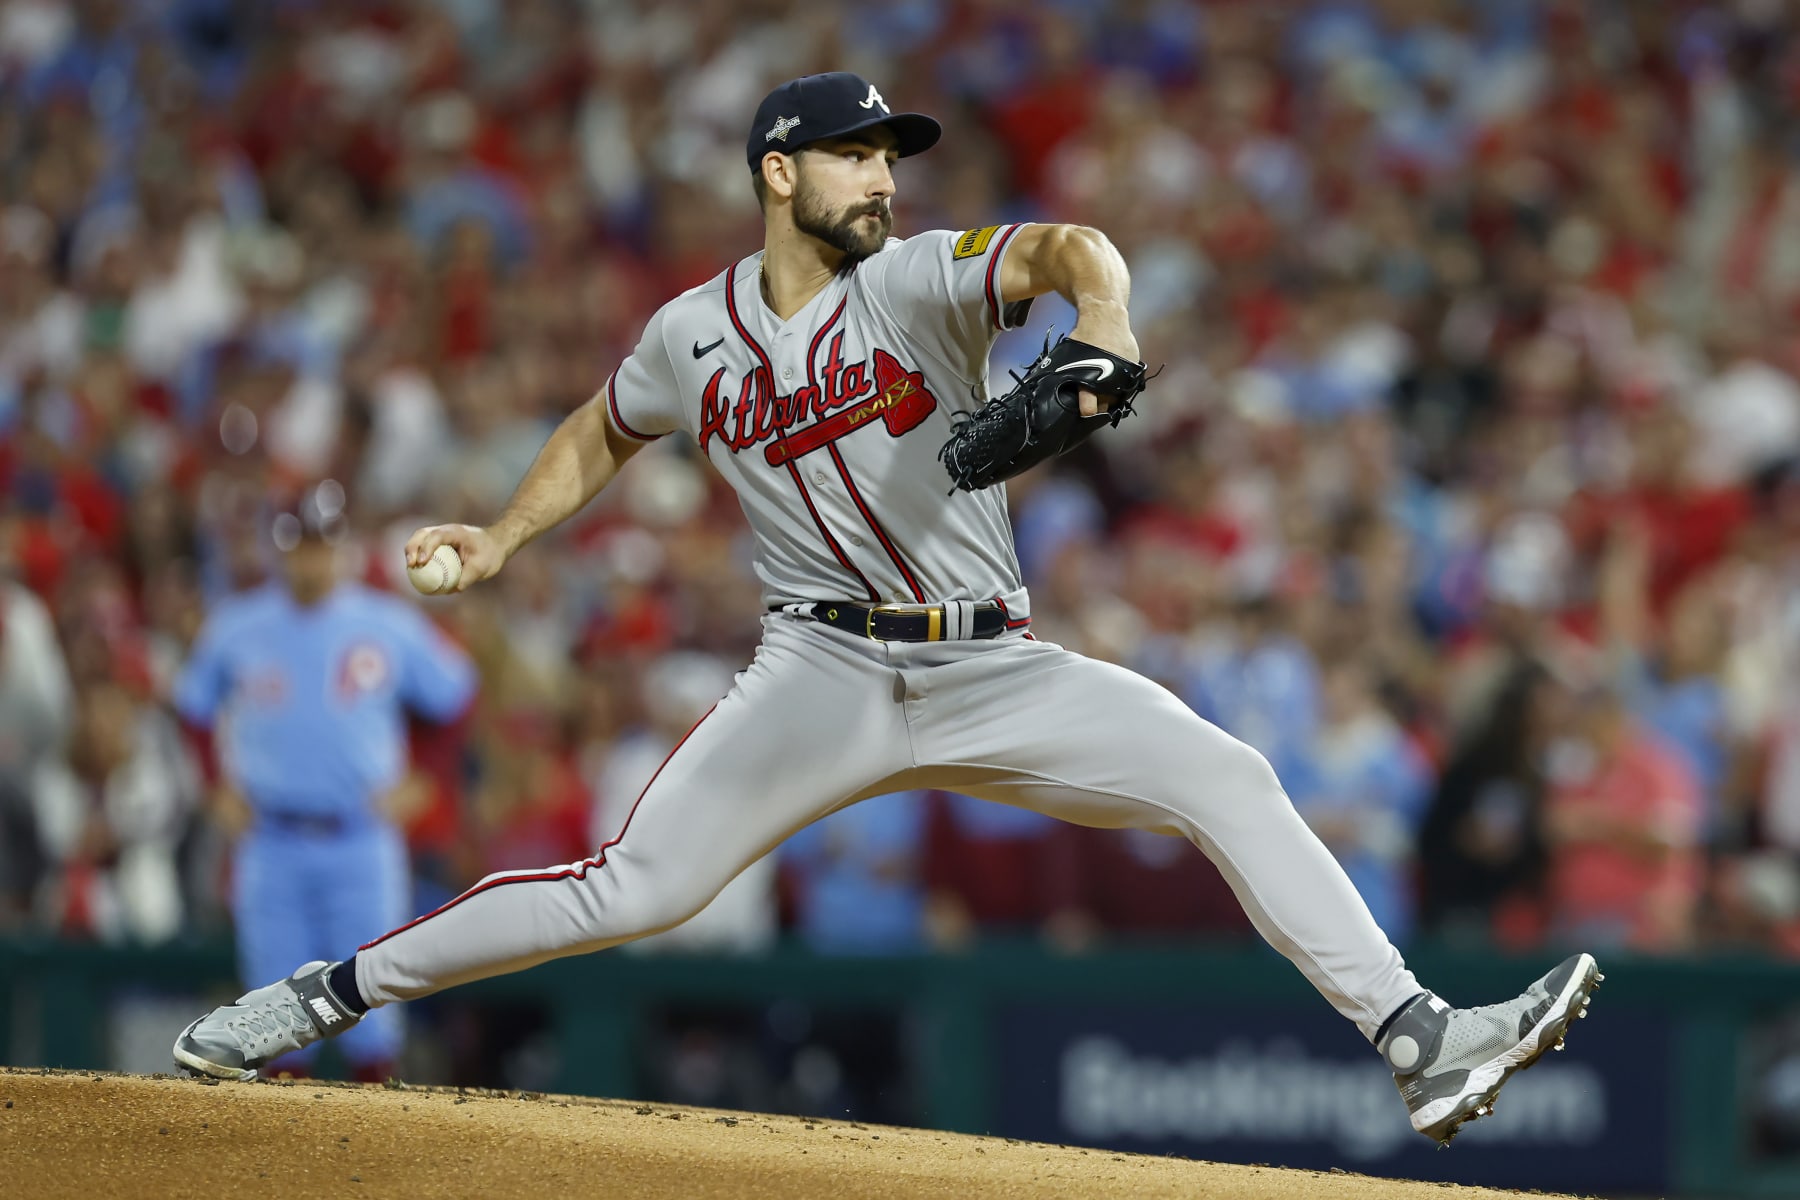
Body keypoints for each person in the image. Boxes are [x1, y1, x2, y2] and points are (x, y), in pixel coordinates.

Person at [172, 73, 1601, 1145]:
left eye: (889, 157)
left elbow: (1074, 252)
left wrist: (1104, 332)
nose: (883, 180)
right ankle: (326, 994)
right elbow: (606, 426)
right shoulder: (692, 332)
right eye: (856, 156)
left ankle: (1419, 1036)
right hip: (822, 672)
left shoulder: (918, 283)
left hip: (994, 664)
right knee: (638, 890)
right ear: (777, 173)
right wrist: (497, 538)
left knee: (1223, 774)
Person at [172, 486, 476, 1080]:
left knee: (374, 1009)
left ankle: (373, 1160)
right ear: (279, 549)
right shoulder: (239, 625)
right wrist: (214, 787)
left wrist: (426, 780)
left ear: (342, 547)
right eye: (298, 546)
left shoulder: (385, 623)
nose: (309, 559)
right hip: (271, 837)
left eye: (319, 544)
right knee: (273, 1018)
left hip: (359, 837)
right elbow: (193, 711)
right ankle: (288, 1169)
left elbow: (456, 699)